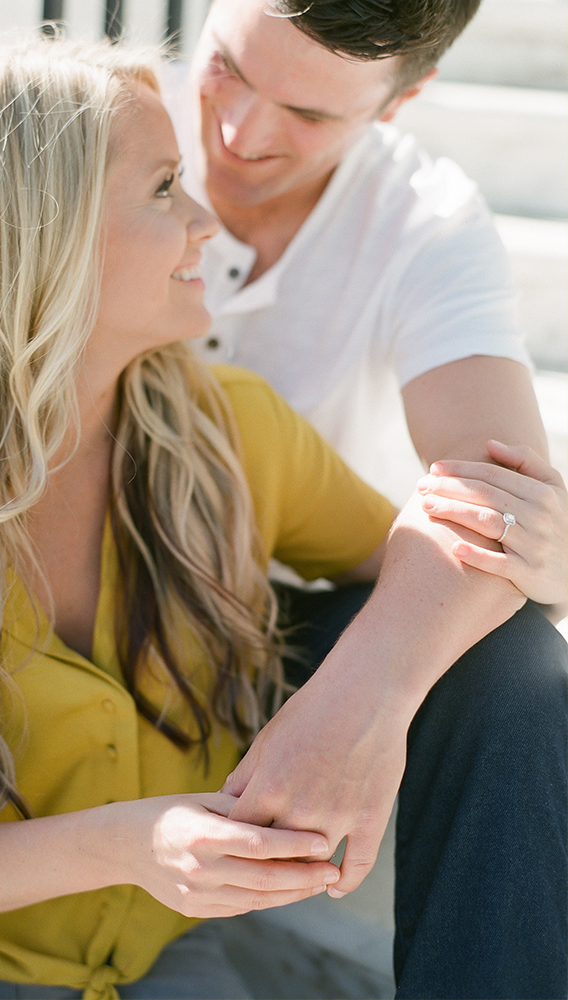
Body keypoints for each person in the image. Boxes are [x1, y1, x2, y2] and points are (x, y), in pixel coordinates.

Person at [0, 36, 553, 1000]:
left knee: (519, 657)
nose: (207, 218)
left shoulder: (232, 429)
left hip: (155, 951)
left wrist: (514, 570)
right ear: (48, 235)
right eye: (166, 187)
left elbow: (435, 564)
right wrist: (137, 843)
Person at [158, 0, 568, 991]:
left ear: (402, 100)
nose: (239, 133)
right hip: (85, 594)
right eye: (227, 68)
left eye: (305, 113)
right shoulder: (118, 121)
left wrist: (364, 694)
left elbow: (504, 504)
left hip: (296, 618)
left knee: (517, 671)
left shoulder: (423, 217)